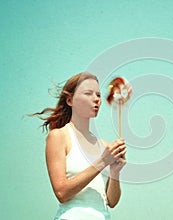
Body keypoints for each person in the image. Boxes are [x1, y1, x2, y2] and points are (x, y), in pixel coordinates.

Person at [32, 72, 126, 219]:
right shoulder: (59, 136)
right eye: (88, 93)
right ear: (70, 101)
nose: (96, 99)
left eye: (98, 95)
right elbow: (61, 193)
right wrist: (102, 162)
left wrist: (115, 171)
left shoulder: (105, 146)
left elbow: (111, 201)